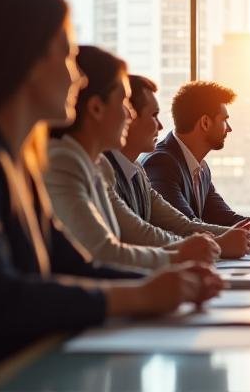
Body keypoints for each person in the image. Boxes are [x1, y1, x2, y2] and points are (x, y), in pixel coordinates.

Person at [0, 0, 221, 381]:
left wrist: (175, 285)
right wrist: (137, 294)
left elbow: (76, 265)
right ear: (26, 61)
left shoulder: (20, 164)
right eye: (66, 57)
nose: (78, 79)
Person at [45, 46, 222, 269]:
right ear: (96, 108)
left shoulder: (100, 167)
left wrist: (192, 249)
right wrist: (182, 254)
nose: (130, 114)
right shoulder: (65, 162)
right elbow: (106, 252)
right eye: (124, 102)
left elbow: (132, 237)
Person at [104, 74, 250, 259]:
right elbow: (140, 234)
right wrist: (218, 243)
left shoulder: (137, 170)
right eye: (153, 116)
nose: (160, 126)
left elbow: (182, 224)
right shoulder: (154, 163)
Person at [141, 81, 250, 245]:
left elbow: (224, 217)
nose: (229, 128)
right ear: (205, 123)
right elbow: (186, 226)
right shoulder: (161, 163)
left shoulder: (201, 169)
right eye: (225, 120)